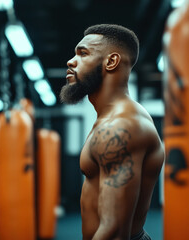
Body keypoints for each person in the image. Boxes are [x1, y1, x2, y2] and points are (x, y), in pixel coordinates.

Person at [60, 24, 165, 240]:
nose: (71, 61)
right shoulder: (111, 119)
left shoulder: (119, 127)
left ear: (111, 61)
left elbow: (115, 231)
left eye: (83, 53)